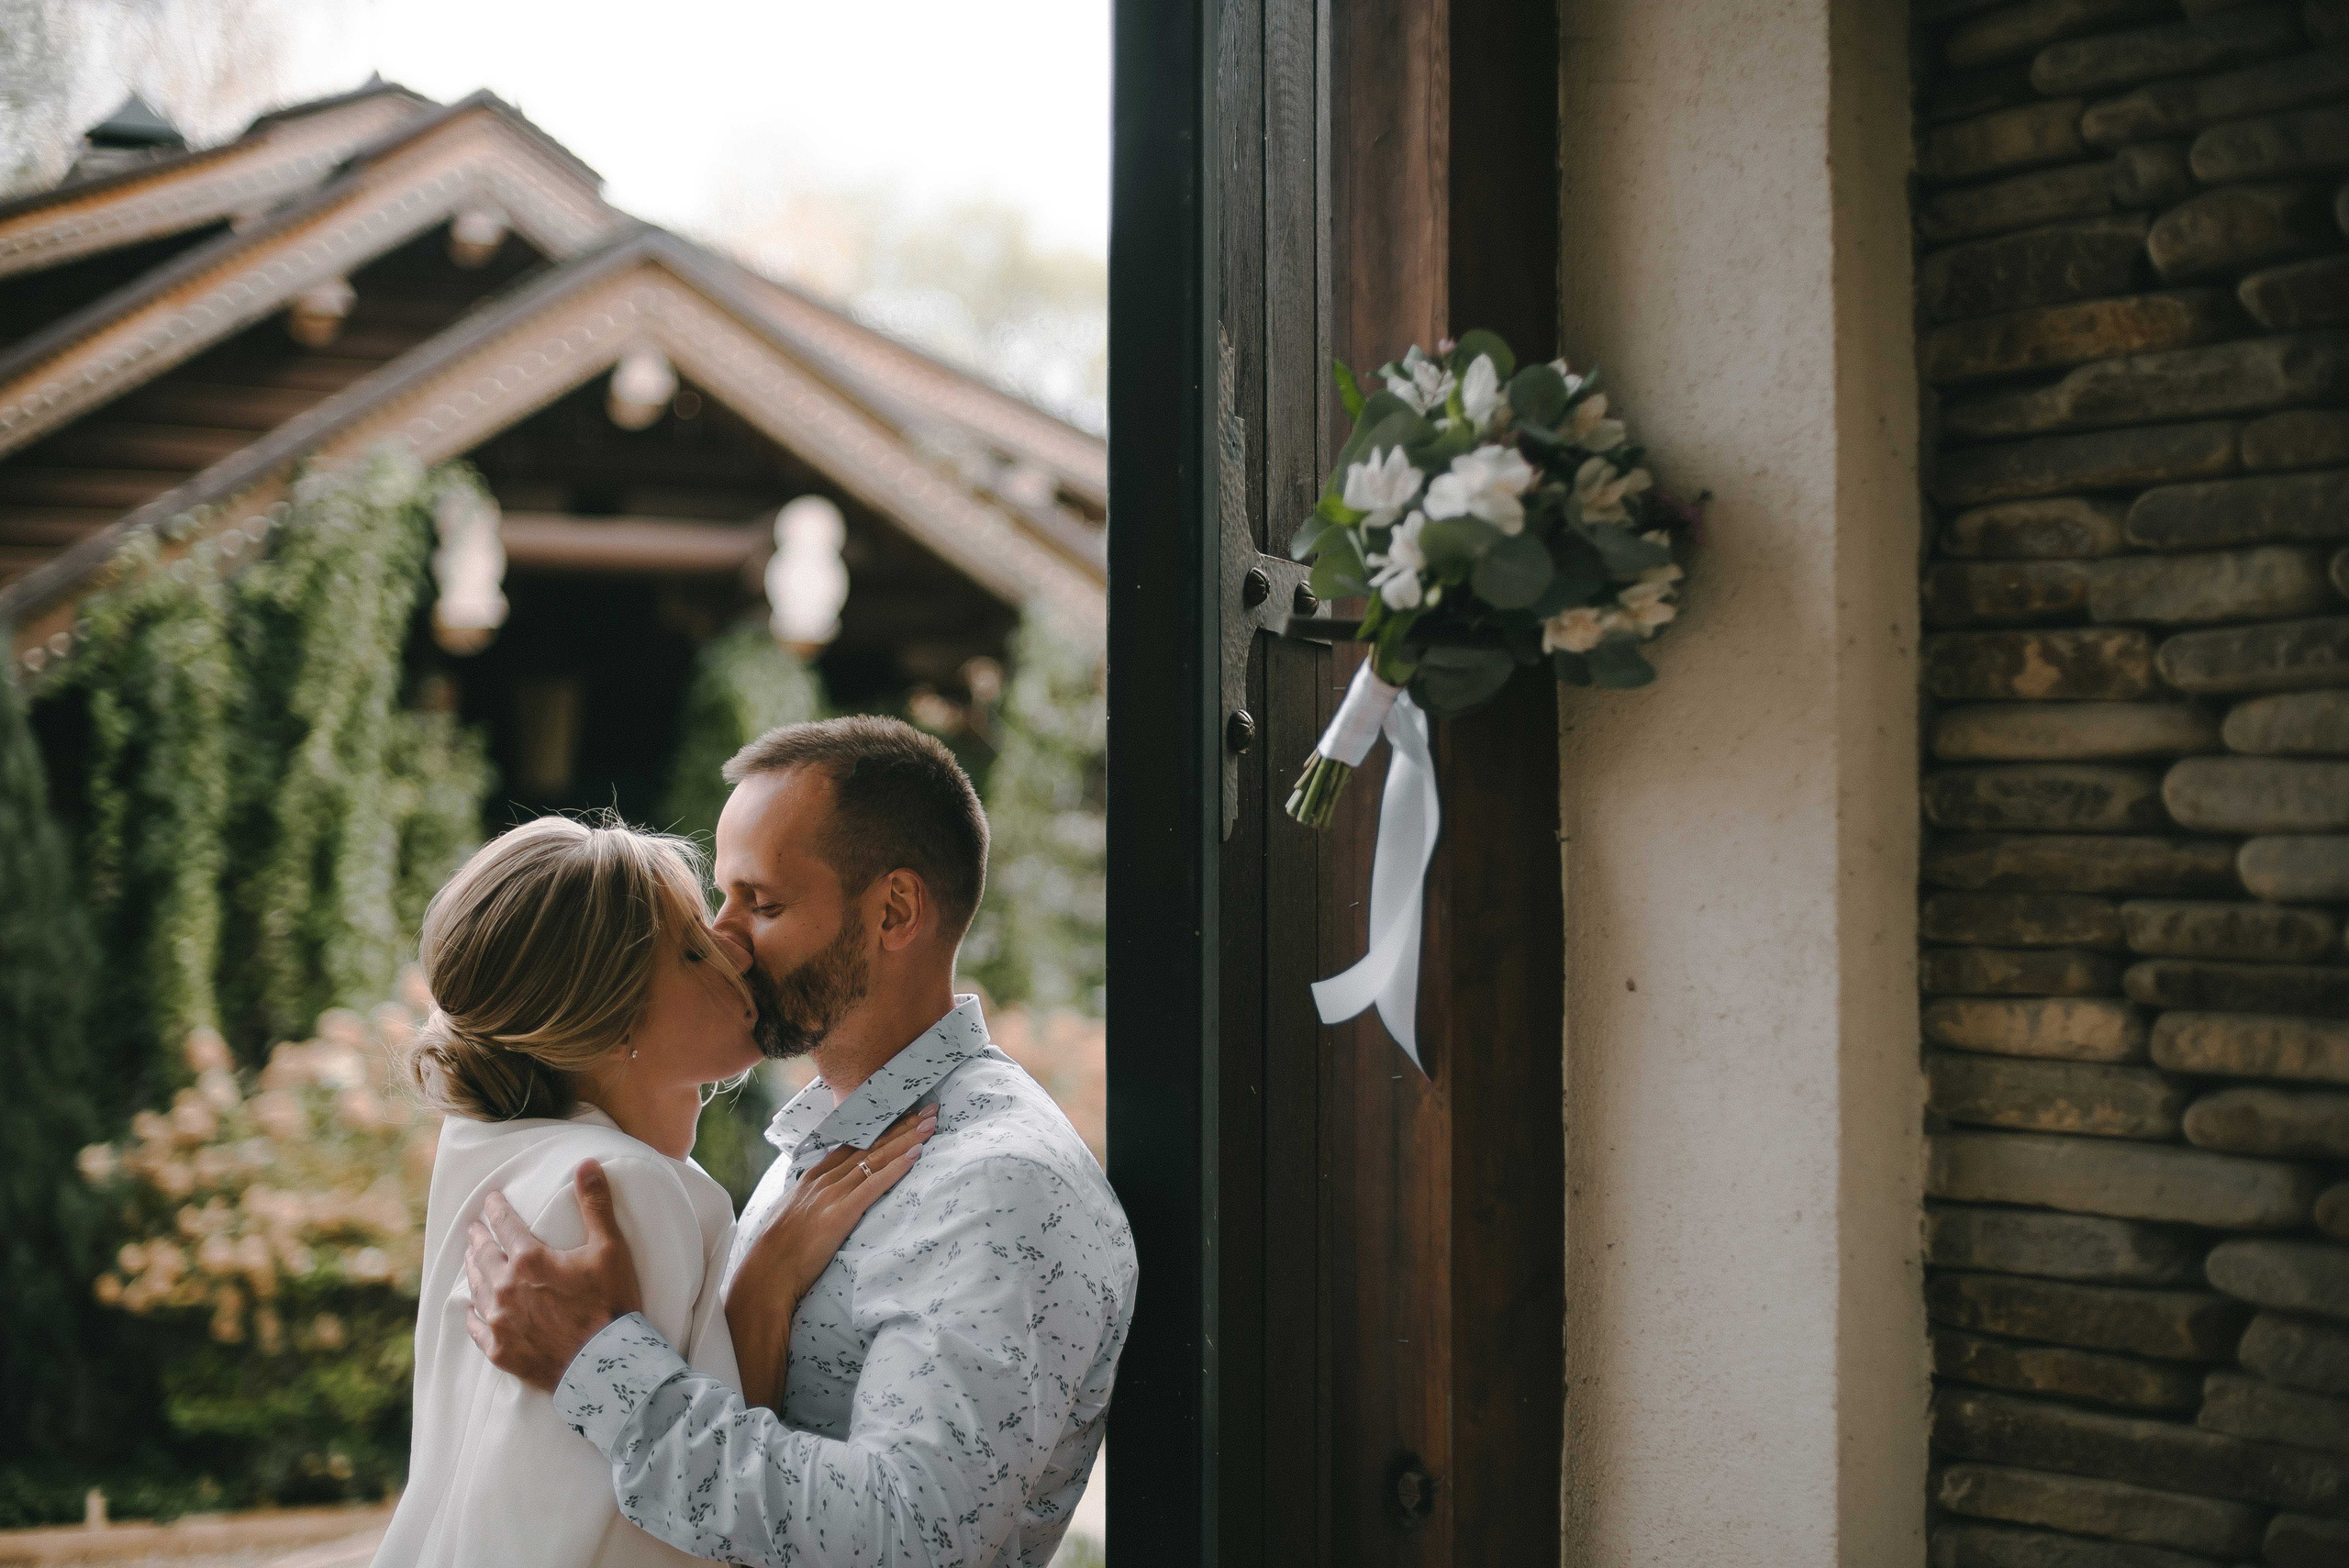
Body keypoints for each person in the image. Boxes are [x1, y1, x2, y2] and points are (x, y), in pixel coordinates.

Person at [462, 717, 1138, 1568]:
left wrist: (601, 1367)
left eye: (764, 903)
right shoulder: (819, 1152)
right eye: (724, 897)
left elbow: (911, 1536)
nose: (724, 938)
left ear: (894, 911)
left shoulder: (1001, 1184)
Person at [373, 814, 930, 1568]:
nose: (735, 949)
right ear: (609, 1019)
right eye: (694, 949)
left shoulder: (487, 1144)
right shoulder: (619, 1190)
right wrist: (766, 1285)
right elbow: (695, 1528)